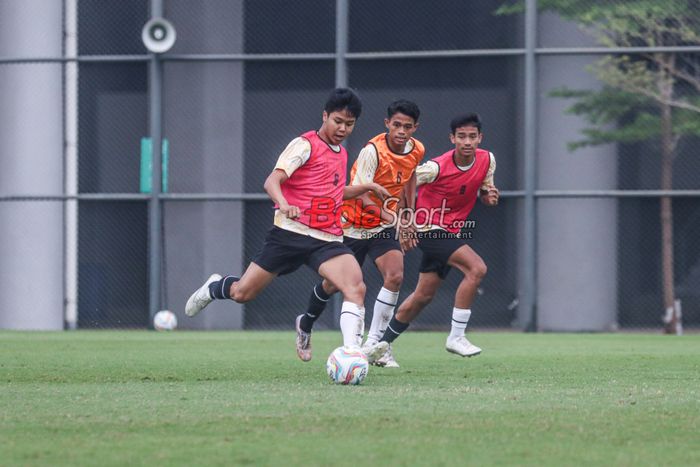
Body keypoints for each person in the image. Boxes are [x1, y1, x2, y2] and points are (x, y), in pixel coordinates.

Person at [184, 88, 388, 361]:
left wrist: (366, 188)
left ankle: (351, 352)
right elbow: (272, 181)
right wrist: (284, 203)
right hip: (288, 235)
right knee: (243, 293)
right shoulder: (304, 145)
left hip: (327, 239)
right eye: (337, 121)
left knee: (355, 287)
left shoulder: (340, 152)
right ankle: (214, 287)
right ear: (325, 115)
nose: (342, 128)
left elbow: (334, 192)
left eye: (349, 124)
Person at [294, 100, 425, 368]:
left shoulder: (417, 149)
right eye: (397, 125)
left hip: (381, 226)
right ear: (387, 124)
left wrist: (408, 213)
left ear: (415, 128)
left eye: (407, 127)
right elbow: (363, 194)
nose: (401, 131)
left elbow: (411, 176)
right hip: (352, 225)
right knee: (333, 285)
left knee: (396, 275)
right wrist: (395, 219)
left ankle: (376, 344)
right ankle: (306, 321)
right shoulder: (372, 151)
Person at [365, 113, 499, 359]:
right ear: (452, 139)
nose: (467, 142)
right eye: (461, 137)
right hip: (428, 228)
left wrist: (487, 196)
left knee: (423, 296)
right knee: (477, 269)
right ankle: (457, 336)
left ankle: (379, 348)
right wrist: (406, 219)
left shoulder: (487, 159)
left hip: (451, 231)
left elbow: (484, 190)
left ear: (480, 138)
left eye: (472, 136)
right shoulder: (437, 166)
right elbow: (408, 178)